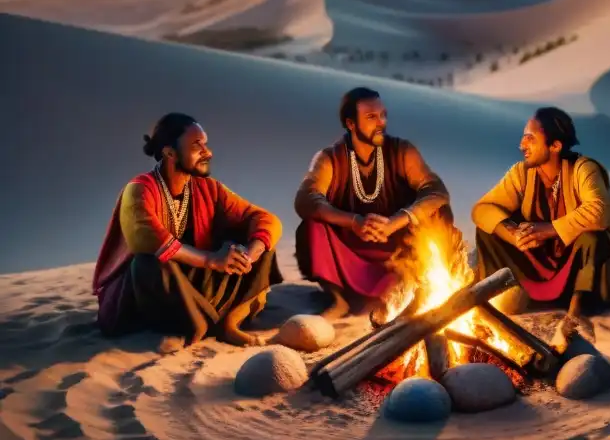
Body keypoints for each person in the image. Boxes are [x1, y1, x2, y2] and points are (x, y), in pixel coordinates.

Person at [93, 113, 283, 349]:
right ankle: (201, 325)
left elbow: (265, 219)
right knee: (147, 262)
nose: (208, 151)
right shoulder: (139, 189)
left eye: (205, 143)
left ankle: (228, 323)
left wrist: (248, 255)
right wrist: (212, 260)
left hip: (199, 285)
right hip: (159, 294)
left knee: (263, 244)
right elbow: (147, 239)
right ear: (169, 152)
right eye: (197, 145)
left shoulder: (209, 188)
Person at [293, 87, 452, 319]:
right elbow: (306, 198)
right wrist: (354, 222)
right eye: (371, 117)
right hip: (350, 251)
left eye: (383, 115)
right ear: (351, 123)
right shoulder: (330, 158)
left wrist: (397, 221)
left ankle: (412, 291)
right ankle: (338, 300)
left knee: (438, 213)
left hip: (399, 253)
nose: (381, 123)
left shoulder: (402, 151)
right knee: (311, 227)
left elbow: (436, 191)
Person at [472, 107, 610, 323]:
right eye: (523, 138)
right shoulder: (522, 173)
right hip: (539, 259)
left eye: (530, 138)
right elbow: (482, 209)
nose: (522, 146)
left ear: (555, 145)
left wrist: (549, 229)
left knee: (593, 238)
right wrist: (512, 234)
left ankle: (577, 306)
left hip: (576, 268)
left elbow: (599, 212)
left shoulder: (583, 169)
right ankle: (505, 291)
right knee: (489, 229)